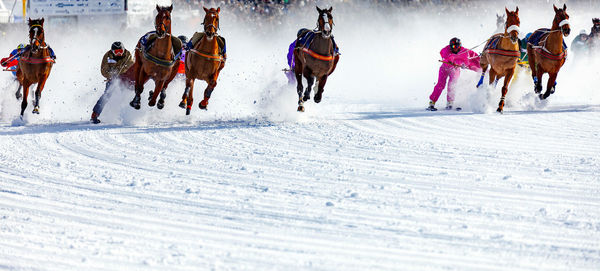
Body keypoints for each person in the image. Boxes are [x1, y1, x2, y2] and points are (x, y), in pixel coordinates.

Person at [427, 38, 481, 111]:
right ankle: (432, 102)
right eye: (453, 47)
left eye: (457, 46)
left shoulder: (465, 51)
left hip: (455, 70)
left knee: (452, 85)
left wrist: (464, 64)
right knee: (440, 84)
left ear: (460, 46)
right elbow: (444, 55)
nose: (455, 48)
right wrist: (452, 61)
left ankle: (450, 103)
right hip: (444, 69)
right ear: (450, 46)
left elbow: (471, 58)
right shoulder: (446, 49)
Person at [90, 42, 134, 124]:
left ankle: (130, 114)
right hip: (112, 79)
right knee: (107, 94)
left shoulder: (127, 55)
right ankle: (95, 114)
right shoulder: (107, 56)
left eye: (120, 51)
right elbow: (103, 70)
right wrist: (112, 75)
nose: (119, 54)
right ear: (112, 51)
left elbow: (131, 66)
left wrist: (124, 71)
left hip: (125, 78)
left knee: (131, 92)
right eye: (116, 52)